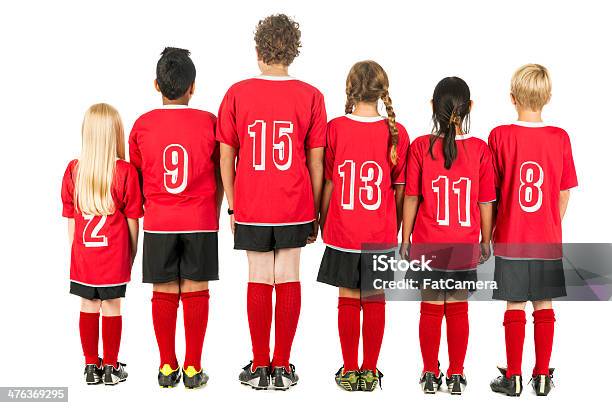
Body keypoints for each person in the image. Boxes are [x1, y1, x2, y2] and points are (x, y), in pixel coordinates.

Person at [217, 14, 326, 390]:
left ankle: (260, 365)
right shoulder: (311, 95)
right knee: (290, 276)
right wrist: (313, 211)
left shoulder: (236, 92)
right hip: (295, 202)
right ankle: (282, 366)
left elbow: (225, 157)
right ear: (292, 51)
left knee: (259, 277)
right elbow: (316, 161)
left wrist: (233, 204)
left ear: (258, 50)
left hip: (253, 202)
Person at [129, 47, 223, 389]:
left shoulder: (141, 126)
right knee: (197, 289)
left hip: (159, 222)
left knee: (164, 290)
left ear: (156, 85)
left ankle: (167, 366)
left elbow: (135, 178)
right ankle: (194, 367)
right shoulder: (209, 122)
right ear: (193, 87)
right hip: (199, 218)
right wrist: (215, 213)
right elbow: (220, 173)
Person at [317, 61, 409, 392]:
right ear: (382, 91)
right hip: (379, 234)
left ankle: (350, 369)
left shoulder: (336, 127)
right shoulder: (396, 132)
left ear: (350, 88)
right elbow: (399, 191)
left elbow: (328, 182)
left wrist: (319, 220)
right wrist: (395, 227)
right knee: (374, 299)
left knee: (347, 298)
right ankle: (370, 370)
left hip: (343, 231)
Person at [401, 77, 495, 394]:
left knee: (430, 307)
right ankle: (455, 374)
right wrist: (486, 238)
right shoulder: (480, 150)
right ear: (470, 108)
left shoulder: (418, 147)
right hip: (463, 244)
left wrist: (405, 237)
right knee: (457, 309)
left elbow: (411, 197)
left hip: (428, 242)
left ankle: (430, 373)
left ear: (432, 106)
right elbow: (485, 201)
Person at [489, 64, 577, 397]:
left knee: (514, 304)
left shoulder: (499, 136)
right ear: (548, 97)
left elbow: (492, 193)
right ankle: (541, 376)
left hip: (511, 236)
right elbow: (563, 192)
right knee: (544, 303)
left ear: (512, 98)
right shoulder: (560, 137)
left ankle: (512, 376)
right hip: (546, 239)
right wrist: (551, 225)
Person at [61, 103, 142, 385]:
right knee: (112, 306)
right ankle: (110, 367)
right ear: (115, 134)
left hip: (84, 256)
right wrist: (131, 254)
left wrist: (78, 252)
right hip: (113, 257)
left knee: (87, 305)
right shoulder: (125, 172)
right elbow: (133, 222)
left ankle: (90, 366)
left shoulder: (74, 170)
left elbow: (71, 219)